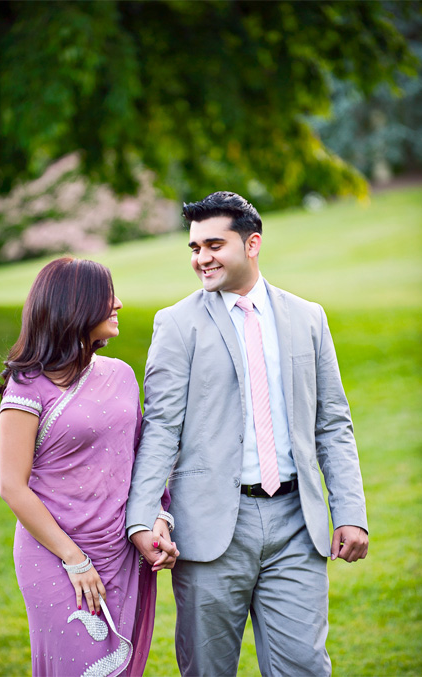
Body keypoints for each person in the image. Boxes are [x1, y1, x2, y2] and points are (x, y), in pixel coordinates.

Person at [125, 191, 368, 676]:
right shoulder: (175, 324)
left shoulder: (308, 318)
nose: (201, 259)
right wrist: (142, 516)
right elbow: (161, 429)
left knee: (304, 666)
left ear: (252, 243)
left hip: (298, 524)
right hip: (211, 529)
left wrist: (351, 511)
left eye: (214, 245)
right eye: (194, 248)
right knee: (208, 669)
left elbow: (332, 422)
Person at [0, 257, 177, 677]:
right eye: (106, 295)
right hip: (56, 556)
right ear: (74, 305)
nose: (118, 303)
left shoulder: (121, 375)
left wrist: (156, 520)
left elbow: (139, 461)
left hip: (119, 551)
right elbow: (12, 487)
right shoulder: (27, 387)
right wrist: (74, 560)